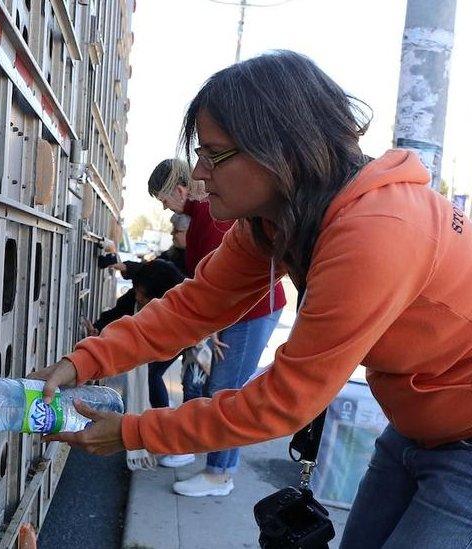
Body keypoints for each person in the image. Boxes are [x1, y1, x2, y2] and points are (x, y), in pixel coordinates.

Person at [31, 50, 472, 547]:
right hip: (413, 431)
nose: (197, 173)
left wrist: (135, 432)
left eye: (213, 153)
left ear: (281, 150)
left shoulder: (377, 234)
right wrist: (81, 362)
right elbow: (193, 305)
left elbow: (283, 403)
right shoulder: (276, 218)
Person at [144, 158, 288, 486]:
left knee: (225, 389)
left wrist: (214, 327)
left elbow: (225, 284)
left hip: (252, 310)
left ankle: (219, 475)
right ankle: (205, 459)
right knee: (212, 386)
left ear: (180, 191)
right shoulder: (200, 217)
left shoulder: (207, 220)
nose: (166, 209)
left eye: (165, 200)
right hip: (243, 309)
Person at [86, 260, 186, 410]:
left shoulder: (176, 313)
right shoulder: (138, 293)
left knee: (151, 375)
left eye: (143, 296)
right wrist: (98, 328)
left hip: (171, 342)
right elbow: (116, 313)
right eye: (137, 291)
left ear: (159, 299)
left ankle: (160, 413)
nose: (138, 297)